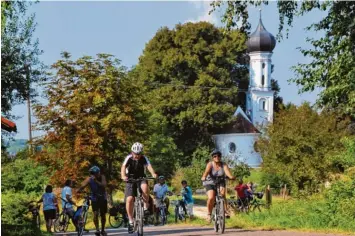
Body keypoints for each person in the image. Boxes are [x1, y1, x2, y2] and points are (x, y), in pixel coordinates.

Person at [121, 142, 158, 234]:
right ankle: (130, 221)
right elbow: (123, 167)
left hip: (141, 177)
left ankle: (145, 207)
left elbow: (149, 166)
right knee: (129, 199)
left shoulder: (144, 158)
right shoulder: (128, 158)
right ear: (132, 152)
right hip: (130, 178)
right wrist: (123, 175)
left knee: (145, 188)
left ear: (141, 153)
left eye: (139, 154)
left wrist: (153, 173)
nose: (137, 156)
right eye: (135, 153)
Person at [201, 149, 235, 222]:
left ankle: (225, 211)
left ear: (220, 157)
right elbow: (206, 172)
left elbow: (227, 172)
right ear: (212, 157)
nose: (217, 157)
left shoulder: (224, 164)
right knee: (211, 197)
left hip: (220, 181)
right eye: (215, 156)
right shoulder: (210, 164)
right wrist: (204, 177)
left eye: (219, 156)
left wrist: (231, 177)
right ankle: (209, 214)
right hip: (210, 182)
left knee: (222, 195)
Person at [78, 166, 107, 236]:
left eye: (94, 173)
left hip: (102, 197)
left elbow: (104, 185)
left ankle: (103, 230)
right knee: (95, 214)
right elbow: (83, 185)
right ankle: (97, 229)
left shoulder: (102, 177)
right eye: (91, 173)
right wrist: (79, 190)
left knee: (103, 214)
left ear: (98, 173)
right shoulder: (89, 179)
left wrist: (96, 181)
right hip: (94, 198)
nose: (92, 175)